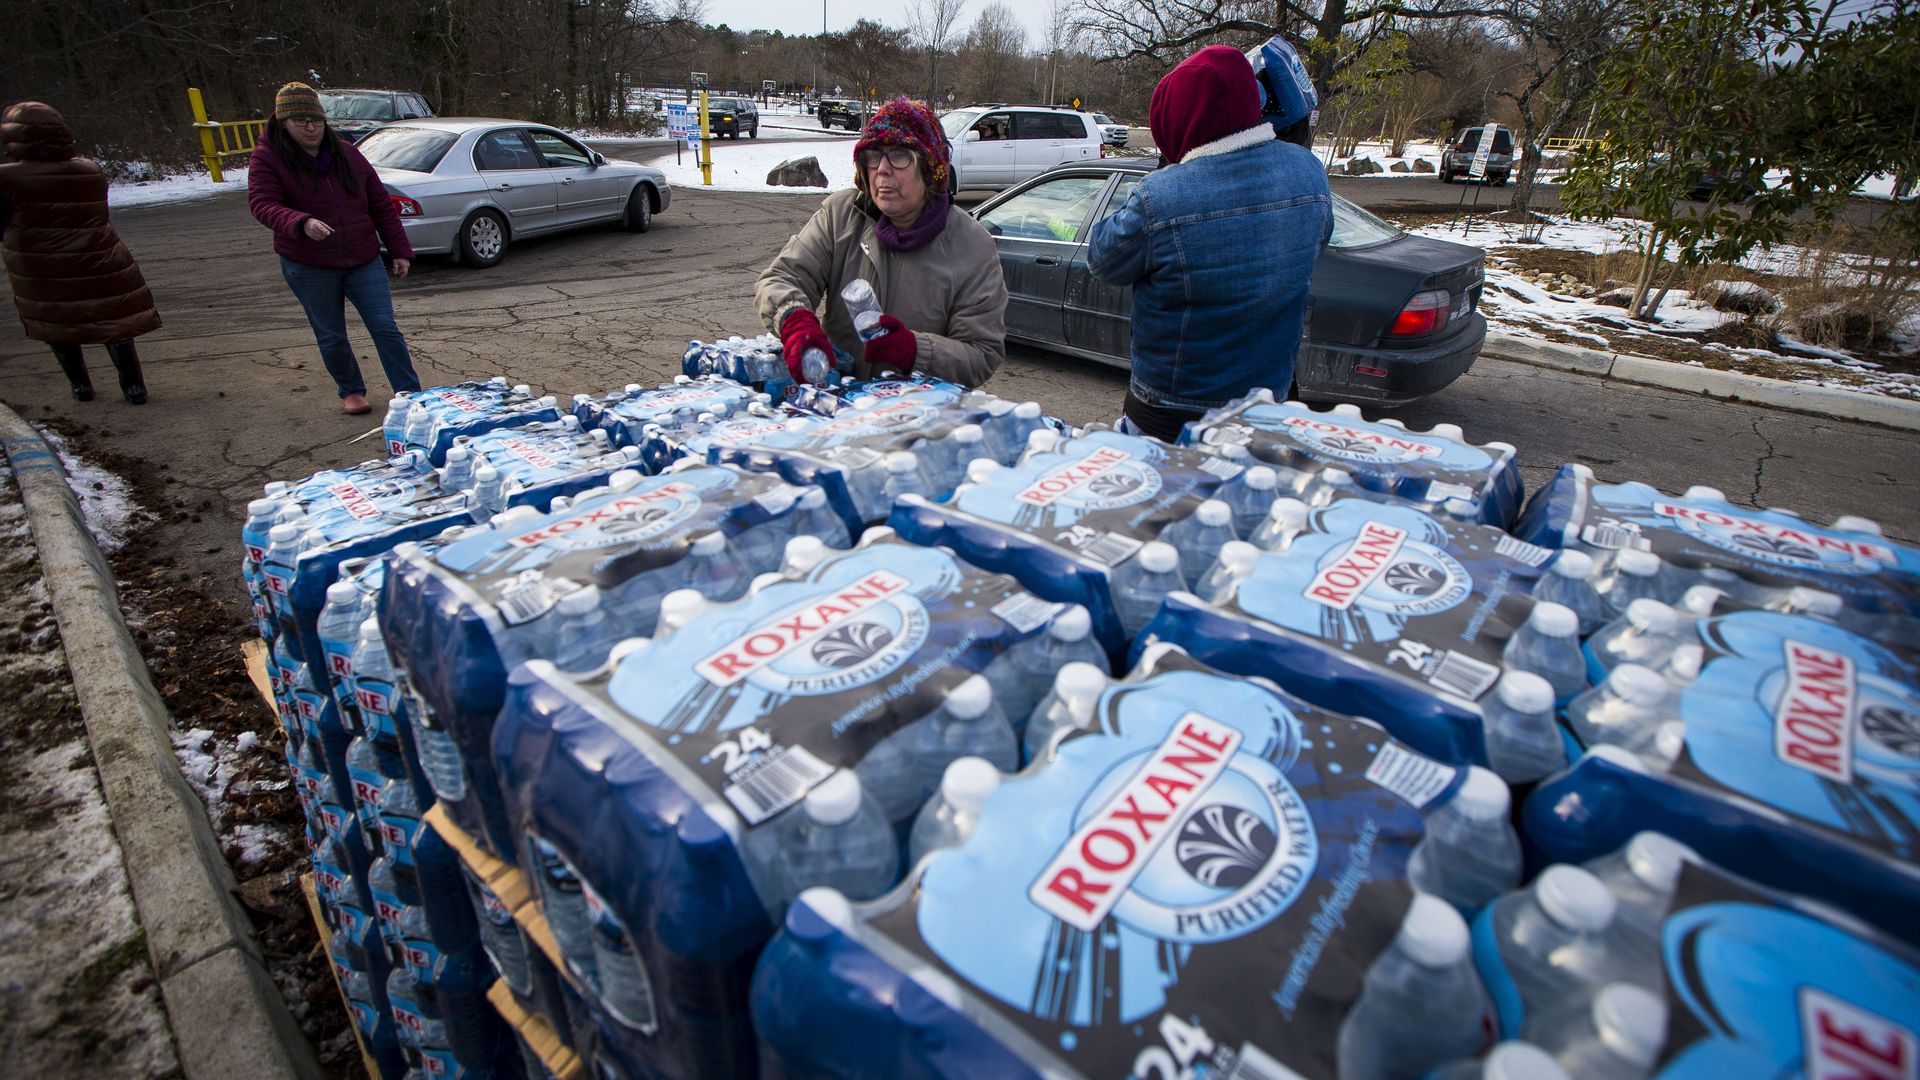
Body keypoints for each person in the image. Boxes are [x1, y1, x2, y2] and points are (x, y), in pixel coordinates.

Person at [1088, 42, 1332, 442]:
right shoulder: (1307, 172)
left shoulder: (1162, 197)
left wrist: (1164, 177)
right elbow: (1317, 241)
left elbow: (1103, 259)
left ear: (1178, 123)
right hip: (1266, 404)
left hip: (1172, 411)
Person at [756, 96, 1007, 388]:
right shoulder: (842, 215)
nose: (882, 169)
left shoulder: (972, 246)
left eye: (899, 155)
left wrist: (916, 350)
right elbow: (781, 278)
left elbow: (981, 354)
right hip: (836, 411)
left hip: (917, 420)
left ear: (929, 168)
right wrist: (794, 320)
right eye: (873, 155)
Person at [248, 81, 421, 416]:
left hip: (362, 257)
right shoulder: (268, 158)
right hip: (308, 263)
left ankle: (409, 391)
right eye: (301, 122)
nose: (311, 127)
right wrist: (301, 222)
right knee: (331, 333)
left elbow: (379, 204)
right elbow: (262, 204)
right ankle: (352, 390)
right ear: (284, 122)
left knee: (385, 326)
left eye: (316, 120)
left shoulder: (347, 153)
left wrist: (400, 249)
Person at [0, 101, 158, 404]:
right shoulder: (89, 170)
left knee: (57, 323)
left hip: (41, 264)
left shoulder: (7, 178)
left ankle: (80, 385)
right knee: (115, 321)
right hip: (99, 257)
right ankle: (133, 386)